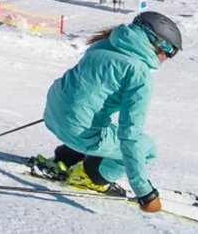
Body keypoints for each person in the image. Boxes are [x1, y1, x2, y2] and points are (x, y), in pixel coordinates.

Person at [32, 12, 182, 214]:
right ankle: (89, 176)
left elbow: (81, 90)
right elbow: (130, 136)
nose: (168, 57)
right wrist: (144, 192)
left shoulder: (103, 45)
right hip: (78, 131)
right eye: (170, 51)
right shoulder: (139, 74)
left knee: (100, 126)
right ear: (157, 43)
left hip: (54, 115)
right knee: (147, 148)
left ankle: (65, 159)